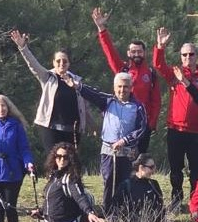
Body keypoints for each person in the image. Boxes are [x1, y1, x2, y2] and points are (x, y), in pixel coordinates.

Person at [63, 73, 147, 212]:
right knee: (108, 180)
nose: (122, 90)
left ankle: (125, 212)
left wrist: (124, 141)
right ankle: (108, 212)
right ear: (114, 87)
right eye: (119, 86)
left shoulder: (137, 106)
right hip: (108, 151)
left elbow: (141, 128)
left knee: (125, 182)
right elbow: (93, 94)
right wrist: (77, 86)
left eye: (126, 87)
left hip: (127, 152)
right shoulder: (108, 101)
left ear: (131, 88)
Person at [152, 30, 198, 208]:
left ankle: (195, 200)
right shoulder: (175, 73)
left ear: (196, 56)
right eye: (184, 54)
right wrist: (161, 46)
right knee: (176, 168)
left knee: (195, 169)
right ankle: (177, 199)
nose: (187, 57)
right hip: (176, 129)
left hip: (196, 131)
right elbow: (158, 64)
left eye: (191, 54)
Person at [91, 7, 161, 153]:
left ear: (144, 53)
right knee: (122, 159)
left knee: (139, 161)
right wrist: (101, 28)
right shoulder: (122, 69)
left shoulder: (151, 73)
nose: (136, 54)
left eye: (139, 51)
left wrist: (151, 123)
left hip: (142, 123)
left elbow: (156, 101)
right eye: (133, 51)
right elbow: (109, 51)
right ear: (128, 53)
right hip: (122, 122)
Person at [11, 31, 90, 151]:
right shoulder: (47, 77)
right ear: (53, 62)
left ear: (69, 63)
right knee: (53, 161)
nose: (61, 64)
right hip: (50, 128)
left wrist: (92, 125)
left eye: (65, 61)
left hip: (72, 130)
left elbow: (84, 107)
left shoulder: (77, 82)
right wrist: (23, 47)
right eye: (58, 61)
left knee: (70, 162)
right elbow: (33, 64)